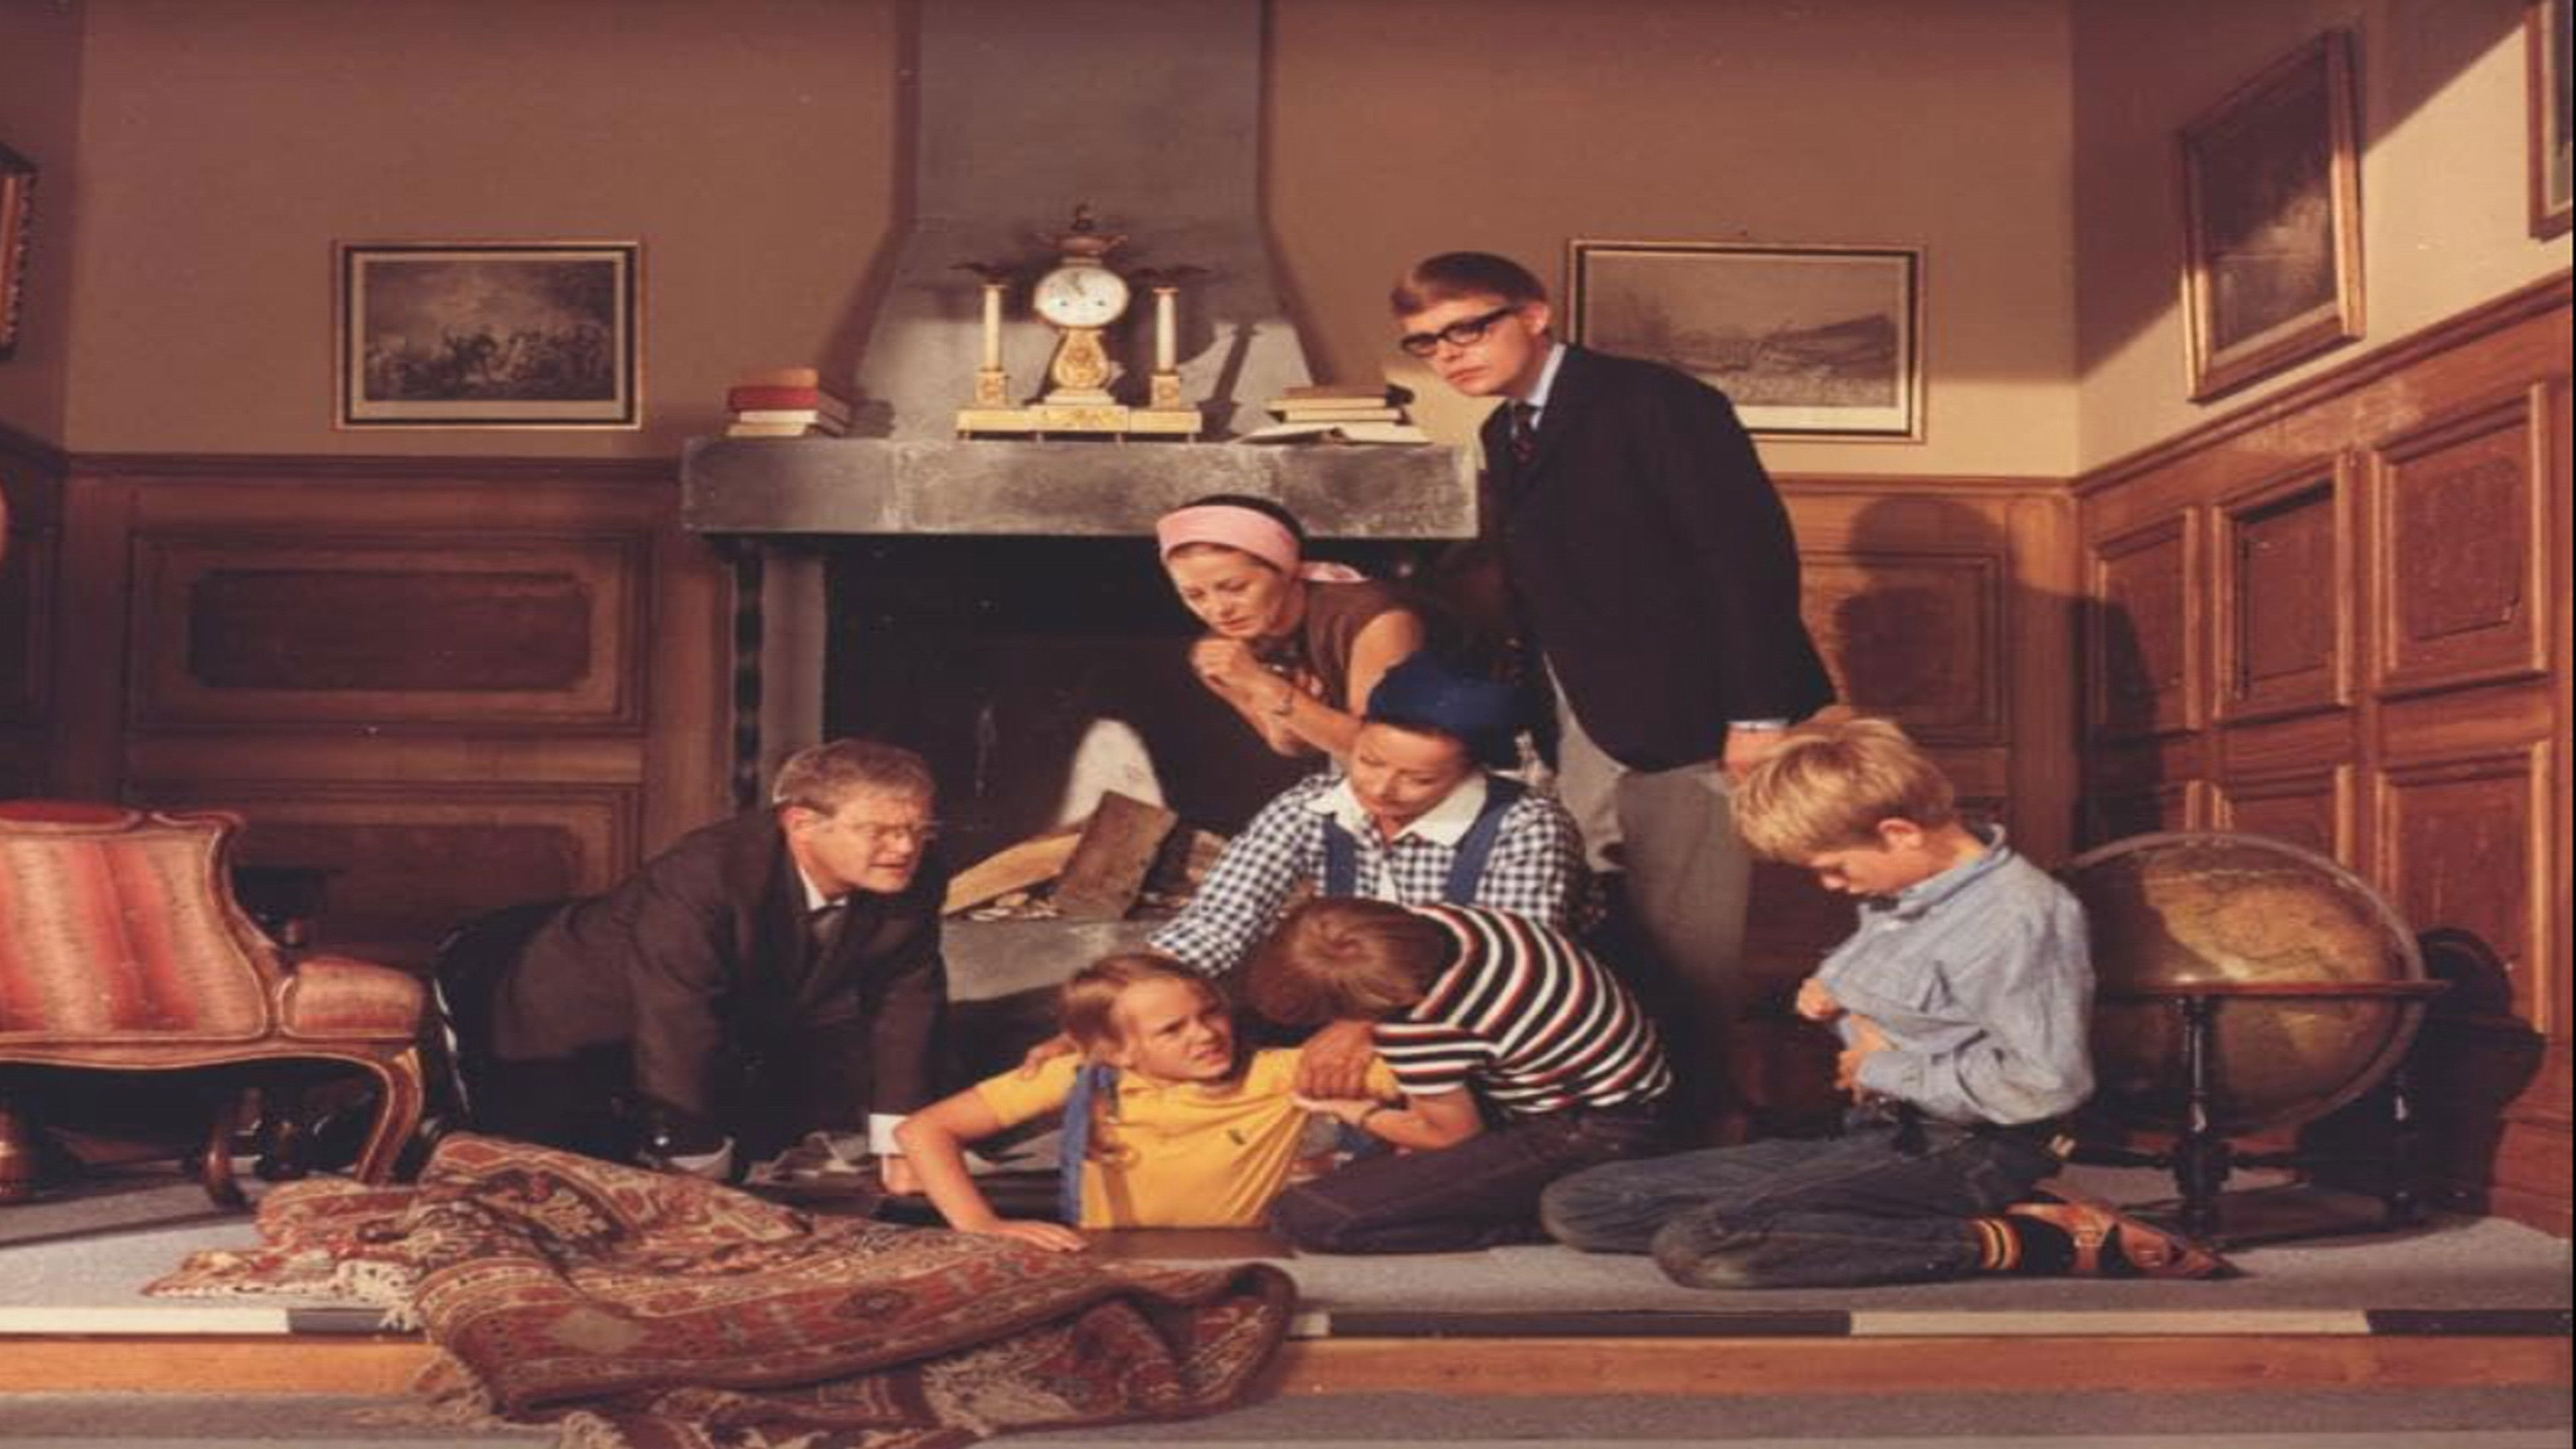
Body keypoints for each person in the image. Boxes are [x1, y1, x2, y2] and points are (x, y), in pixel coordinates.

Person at [1392, 252, 1838, 1139]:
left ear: (1535, 313)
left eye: (1468, 328)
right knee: (1614, 931)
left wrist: (1756, 716)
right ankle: (1629, 1130)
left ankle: (1697, 1135)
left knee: (1692, 946)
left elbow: (1748, 560)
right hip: (1582, 719)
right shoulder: (1503, 432)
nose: (1449, 354)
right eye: (1426, 343)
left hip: (1697, 717)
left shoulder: (1655, 402)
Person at [1539, 717, 2229, 1287]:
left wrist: (1880, 1067)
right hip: (1876, 1135)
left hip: (1971, 1149)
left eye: (1834, 867)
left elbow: (2047, 1084)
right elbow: (1910, 998)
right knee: (1582, 1204)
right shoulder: (1906, 889)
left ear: (1899, 832)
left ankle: (2026, 1240)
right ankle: (1846, 1217)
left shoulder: (2019, 916)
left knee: (1703, 1244)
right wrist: (1834, 994)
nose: (1832, 886)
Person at [437, 738, 948, 1185]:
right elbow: (677, 1014)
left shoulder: (913, 876)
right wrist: (692, 1151)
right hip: (548, 1011)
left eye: (919, 829)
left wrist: (903, 1143)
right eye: (880, 831)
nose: (905, 848)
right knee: (545, 1187)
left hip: (696, 1032)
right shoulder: (708, 872)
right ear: (801, 824)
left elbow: (907, 1003)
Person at [1246, 898, 1673, 1254]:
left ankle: (1538, 1223)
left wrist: (1356, 1112)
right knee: (1356, 1180)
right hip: (1611, 1092)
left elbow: (1450, 1136)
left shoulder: (1424, 1024)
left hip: (1595, 1134)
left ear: (1397, 998)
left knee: (1306, 1216)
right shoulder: (1442, 920)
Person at [896, 953, 1396, 1248]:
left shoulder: (1278, 1073)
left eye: (1211, 1013)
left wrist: (1365, 1035)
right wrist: (981, 1224)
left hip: (1239, 1255)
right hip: (1107, 1255)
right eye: (1172, 1030)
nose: (1205, 1035)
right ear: (1117, 1050)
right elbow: (924, 1130)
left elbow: (1425, 1086)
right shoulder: (1084, 1075)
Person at [1156, 493, 1432, 759]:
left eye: (1236, 588)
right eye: (1195, 595)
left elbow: (1384, 751)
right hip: (1349, 773)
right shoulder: (1222, 653)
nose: (1218, 610)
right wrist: (1292, 710)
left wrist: (1263, 684)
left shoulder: (1374, 618)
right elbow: (1290, 747)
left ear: (1286, 571)